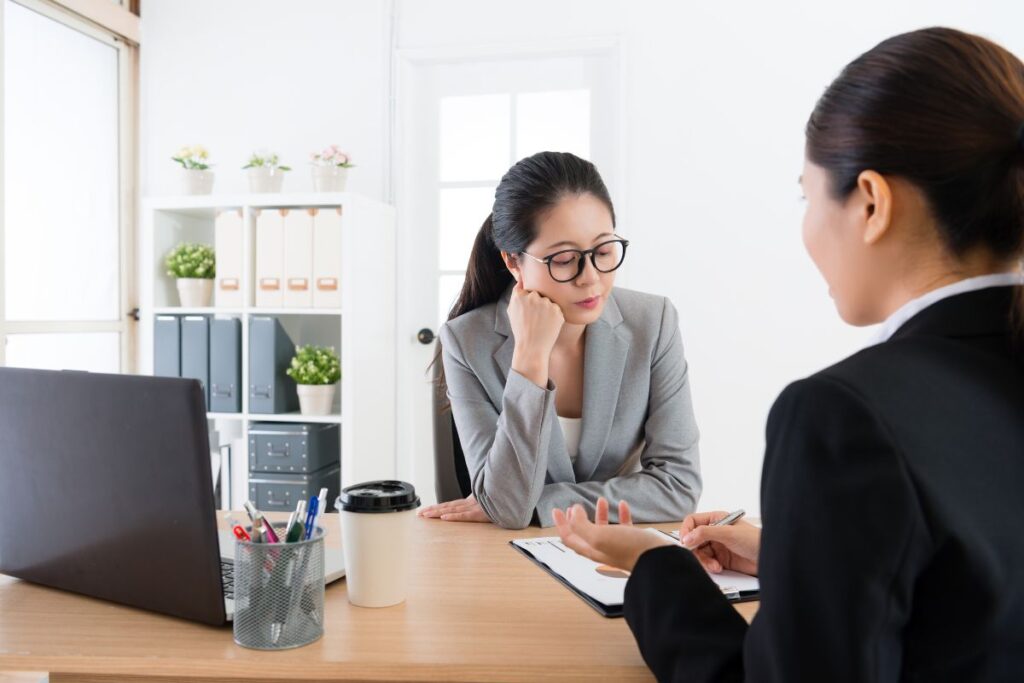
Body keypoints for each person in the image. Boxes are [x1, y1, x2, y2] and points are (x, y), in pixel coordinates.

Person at [553, 27, 1024, 681]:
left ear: (870, 202)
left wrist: (656, 566)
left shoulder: (843, 417)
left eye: (806, 195)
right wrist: (794, 557)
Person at [418, 151, 702, 529]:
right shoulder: (465, 342)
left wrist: (542, 504)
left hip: (615, 554)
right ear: (513, 262)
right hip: (505, 559)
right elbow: (506, 508)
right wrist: (529, 359)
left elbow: (679, 488)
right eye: (565, 259)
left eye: (603, 251)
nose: (591, 278)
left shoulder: (652, 323)